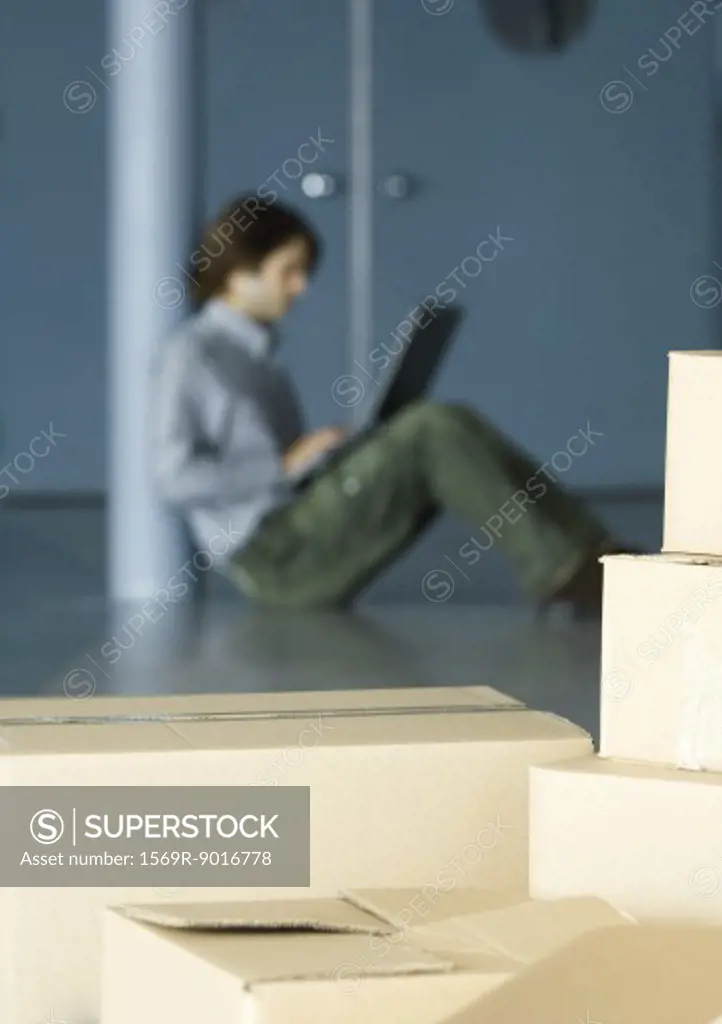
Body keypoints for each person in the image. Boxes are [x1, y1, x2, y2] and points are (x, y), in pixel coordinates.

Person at [153, 195, 625, 613]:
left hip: (295, 524)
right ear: (239, 273)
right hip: (276, 558)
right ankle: (565, 570)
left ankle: (592, 551)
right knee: (432, 428)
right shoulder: (192, 355)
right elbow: (172, 480)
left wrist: (327, 457)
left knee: (451, 422)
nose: (301, 287)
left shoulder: (256, 352)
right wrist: (283, 466)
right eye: (289, 272)